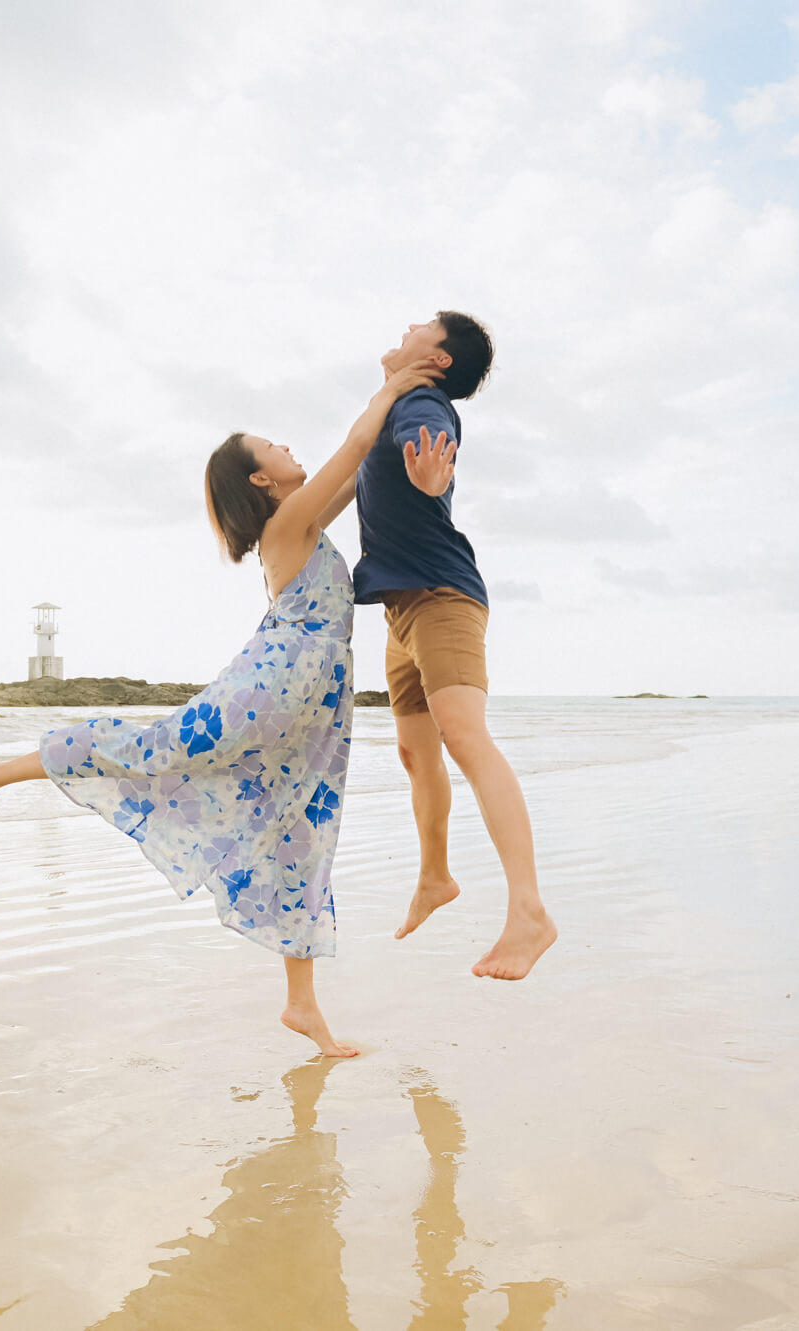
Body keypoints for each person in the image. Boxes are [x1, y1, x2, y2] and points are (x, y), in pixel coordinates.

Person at [0, 356, 447, 1057]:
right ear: (261, 478)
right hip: (272, 685)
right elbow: (355, 449)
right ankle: (4, 766)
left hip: (318, 705)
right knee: (155, 749)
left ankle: (301, 1004)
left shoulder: (304, 521)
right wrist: (396, 384)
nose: (288, 447)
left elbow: (365, 465)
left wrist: (416, 403)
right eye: (273, 447)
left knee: (302, 831)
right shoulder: (287, 525)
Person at [349, 313, 556, 980]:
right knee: (417, 752)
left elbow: (431, 453)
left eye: (422, 325)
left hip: (441, 598)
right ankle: (435, 875)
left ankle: (529, 911)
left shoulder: (423, 404)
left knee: (465, 737)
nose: (406, 325)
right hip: (402, 608)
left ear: (436, 359)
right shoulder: (395, 402)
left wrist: (431, 480)